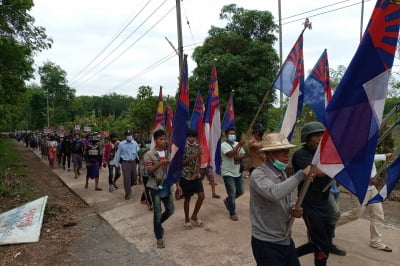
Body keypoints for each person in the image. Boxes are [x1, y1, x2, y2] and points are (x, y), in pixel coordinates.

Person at [250, 132, 312, 266]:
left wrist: (292, 209)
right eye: (280, 151)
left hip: (284, 238)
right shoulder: (258, 174)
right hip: (266, 243)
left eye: (287, 150)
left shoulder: (282, 173)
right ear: (268, 154)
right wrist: (301, 174)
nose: (286, 154)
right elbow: (275, 193)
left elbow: (284, 200)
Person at [293, 122, 345, 266]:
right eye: (316, 135)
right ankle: (290, 255)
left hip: (324, 203)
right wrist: (333, 166)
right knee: (321, 242)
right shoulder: (301, 155)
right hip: (309, 205)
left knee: (326, 241)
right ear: (307, 138)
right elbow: (316, 171)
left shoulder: (327, 154)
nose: (320, 138)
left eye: (322, 135)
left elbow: (335, 170)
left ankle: (292, 254)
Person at [335, 153, 393, 252]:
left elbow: (370, 156)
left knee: (378, 213)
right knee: (355, 214)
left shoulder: (368, 152)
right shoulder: (353, 154)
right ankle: (328, 226)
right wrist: (365, 181)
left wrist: (384, 156)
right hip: (359, 190)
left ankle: (375, 241)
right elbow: (351, 172)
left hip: (372, 190)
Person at [143, 129, 182, 248]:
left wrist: (178, 185)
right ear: (155, 140)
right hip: (155, 186)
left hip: (166, 185)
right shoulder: (149, 154)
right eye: (160, 139)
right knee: (157, 213)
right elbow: (148, 171)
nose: (163, 141)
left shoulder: (167, 153)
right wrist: (160, 163)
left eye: (164, 139)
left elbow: (173, 171)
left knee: (170, 209)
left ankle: (158, 225)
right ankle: (159, 237)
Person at [180, 128, 205, 229]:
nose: (191, 139)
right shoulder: (183, 147)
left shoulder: (198, 146)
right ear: (187, 137)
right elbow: (182, 163)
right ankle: (186, 219)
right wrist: (194, 156)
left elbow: (199, 161)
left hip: (196, 176)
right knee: (187, 198)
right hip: (185, 176)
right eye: (189, 136)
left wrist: (197, 172)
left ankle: (194, 215)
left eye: (193, 137)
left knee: (202, 195)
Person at [221, 127, 246, 221]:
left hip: (237, 172)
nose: (232, 136)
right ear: (226, 135)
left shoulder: (236, 144)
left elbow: (244, 154)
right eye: (230, 134)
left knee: (241, 191)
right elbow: (230, 154)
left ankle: (228, 201)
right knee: (232, 193)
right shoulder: (223, 145)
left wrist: (238, 157)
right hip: (227, 172)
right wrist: (239, 145)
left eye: (234, 134)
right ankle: (232, 213)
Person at [111, 130, 139, 200]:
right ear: (125, 136)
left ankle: (129, 186)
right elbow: (118, 154)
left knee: (134, 178)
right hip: (125, 162)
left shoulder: (135, 143)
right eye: (127, 135)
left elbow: (138, 152)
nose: (129, 136)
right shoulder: (122, 144)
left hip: (133, 162)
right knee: (127, 178)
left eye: (130, 135)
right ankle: (127, 193)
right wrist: (116, 164)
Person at [140, 138, 153, 210]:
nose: (149, 144)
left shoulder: (153, 151)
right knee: (147, 188)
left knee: (148, 187)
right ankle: (150, 204)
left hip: (151, 172)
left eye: (150, 143)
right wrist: (146, 149)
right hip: (144, 172)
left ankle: (142, 199)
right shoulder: (142, 151)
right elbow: (138, 152)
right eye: (147, 143)